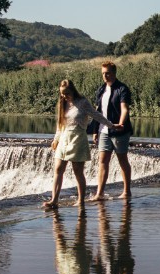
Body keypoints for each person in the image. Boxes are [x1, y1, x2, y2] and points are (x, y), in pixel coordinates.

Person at [43, 78, 110, 209]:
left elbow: (97, 115)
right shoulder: (62, 103)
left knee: (78, 171)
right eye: (62, 93)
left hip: (78, 138)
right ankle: (54, 200)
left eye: (66, 93)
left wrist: (111, 125)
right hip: (64, 138)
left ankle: (81, 200)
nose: (64, 96)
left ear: (73, 91)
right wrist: (56, 139)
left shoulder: (82, 102)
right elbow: (60, 124)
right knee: (58, 169)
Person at [90, 61, 133, 202]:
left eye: (107, 73)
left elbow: (125, 108)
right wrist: (95, 130)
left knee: (122, 160)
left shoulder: (122, 89)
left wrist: (121, 123)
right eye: (103, 73)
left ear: (114, 73)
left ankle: (126, 191)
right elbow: (98, 112)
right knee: (102, 161)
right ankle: (99, 193)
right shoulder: (101, 90)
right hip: (103, 131)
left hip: (120, 131)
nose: (105, 75)